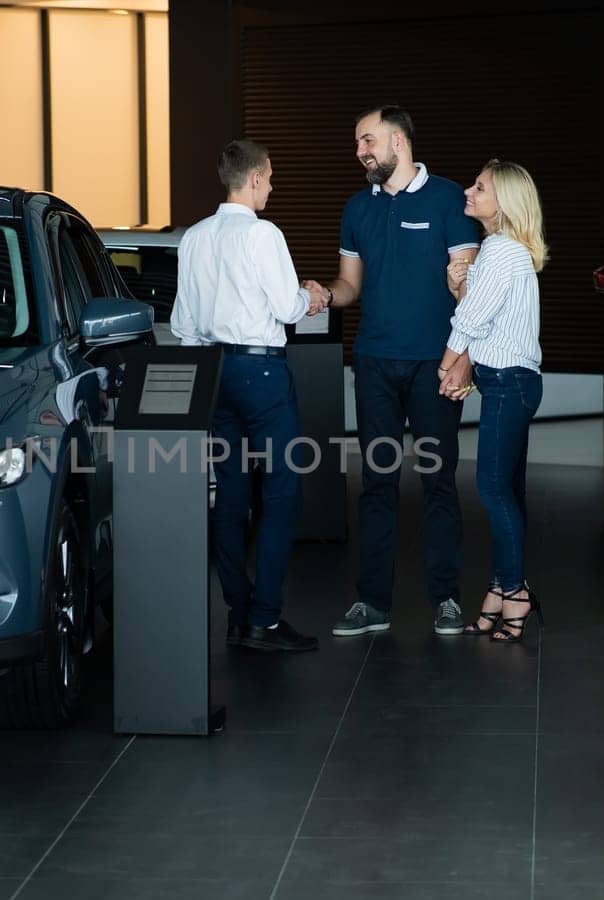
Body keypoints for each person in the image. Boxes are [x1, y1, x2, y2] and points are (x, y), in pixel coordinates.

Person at [309, 105, 480, 638]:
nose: (360, 151)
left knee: (439, 482)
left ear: (398, 142)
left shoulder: (451, 199)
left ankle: (447, 598)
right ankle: (372, 603)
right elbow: (350, 287)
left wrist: (465, 359)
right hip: (375, 364)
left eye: (367, 140)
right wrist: (319, 295)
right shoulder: (357, 209)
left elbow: (471, 290)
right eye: (359, 143)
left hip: (436, 365)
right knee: (377, 483)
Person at [172, 138, 326, 652]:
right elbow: (286, 307)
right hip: (261, 373)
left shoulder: (193, 238)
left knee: (230, 497)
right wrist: (314, 295)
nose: (273, 187)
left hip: (212, 372)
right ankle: (265, 618)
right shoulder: (264, 235)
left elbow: (184, 325)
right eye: (272, 177)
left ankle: (238, 614)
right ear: (255, 177)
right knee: (282, 493)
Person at [437, 159, 547, 642]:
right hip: (507, 382)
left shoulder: (502, 251)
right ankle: (502, 589)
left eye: (479, 186)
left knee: (493, 490)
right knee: (507, 492)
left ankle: (514, 591)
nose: (469, 190)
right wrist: (459, 284)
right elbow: (479, 316)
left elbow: (471, 324)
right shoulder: (498, 251)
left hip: (508, 384)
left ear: (503, 202)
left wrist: (446, 366)